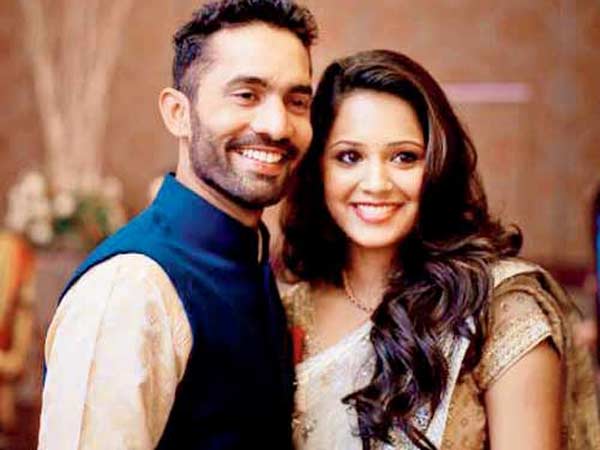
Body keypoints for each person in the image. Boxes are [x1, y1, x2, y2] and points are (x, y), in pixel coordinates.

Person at [280, 49, 600, 450]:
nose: (376, 183)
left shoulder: (499, 308)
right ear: (318, 170)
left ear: (437, 163)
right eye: (349, 157)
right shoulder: (290, 312)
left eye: (404, 157)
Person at [38, 1, 317, 448]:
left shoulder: (254, 262)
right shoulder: (131, 287)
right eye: (246, 95)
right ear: (177, 113)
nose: (277, 125)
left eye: (297, 101)